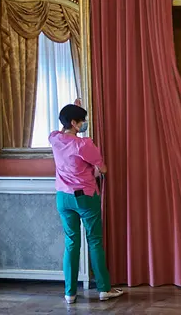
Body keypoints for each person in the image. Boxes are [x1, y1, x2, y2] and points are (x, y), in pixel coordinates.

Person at [49, 104, 124, 304]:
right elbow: (103, 169)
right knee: (95, 241)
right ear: (74, 123)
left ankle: (70, 293)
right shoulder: (84, 145)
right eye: (82, 120)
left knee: (71, 243)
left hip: (63, 197)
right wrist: (94, 170)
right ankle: (104, 289)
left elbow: (61, 130)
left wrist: (69, 116)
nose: (84, 124)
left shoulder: (54, 138)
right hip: (85, 197)